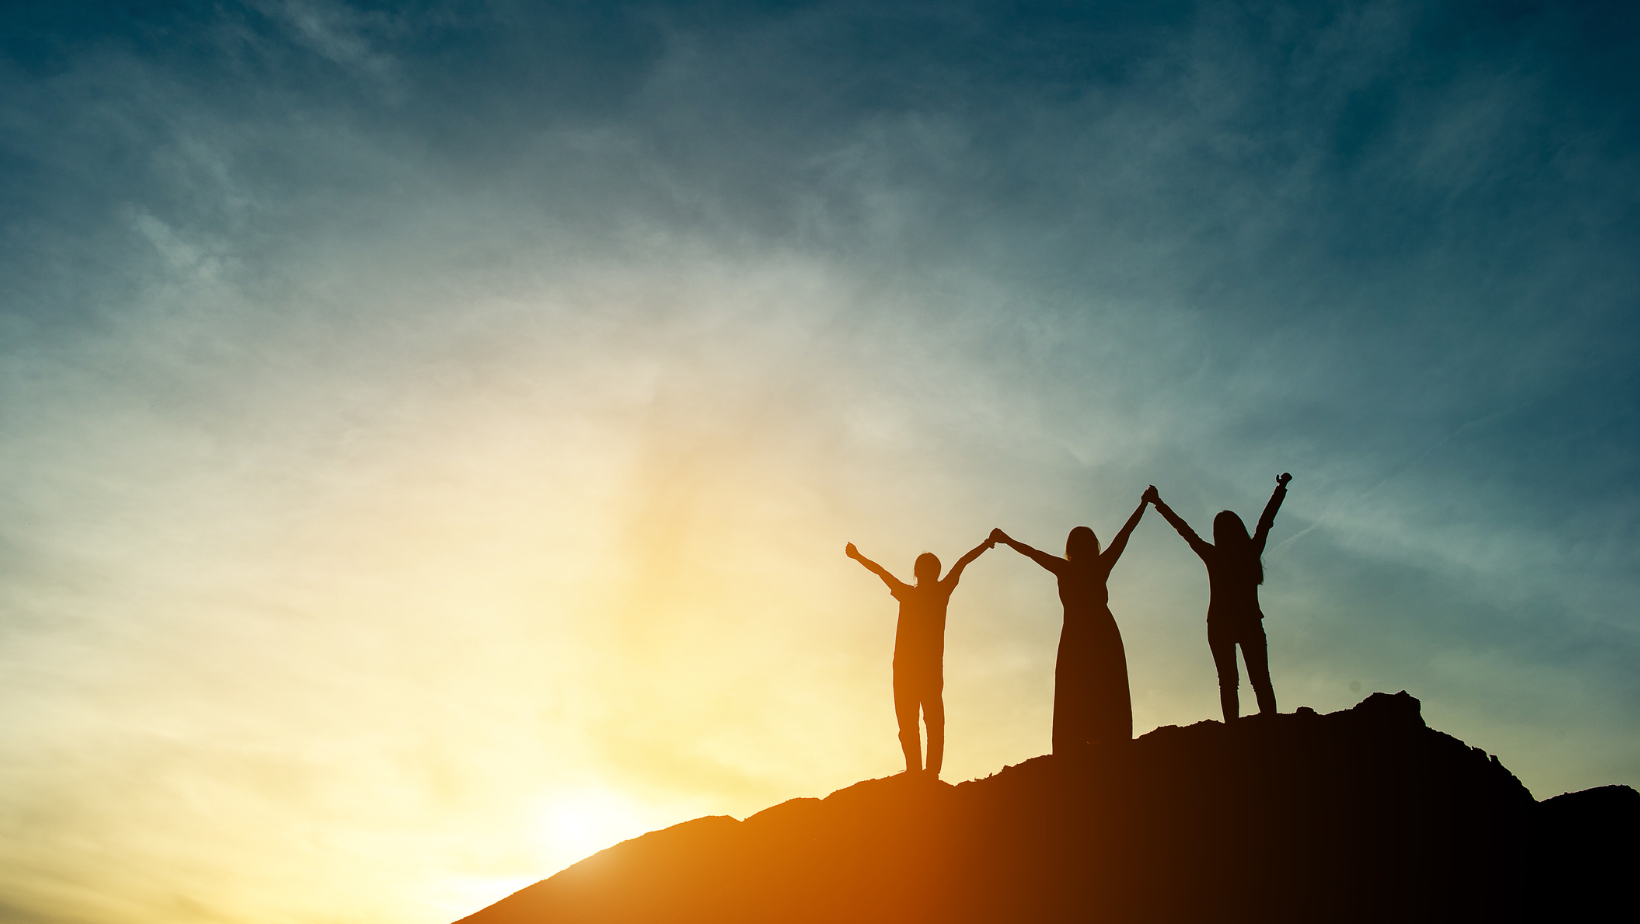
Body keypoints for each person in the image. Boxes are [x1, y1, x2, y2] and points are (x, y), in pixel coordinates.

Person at [990, 493, 1149, 755]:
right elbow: (1125, 533)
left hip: (1078, 636)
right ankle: (1106, 739)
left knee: (1079, 687)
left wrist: (1006, 539)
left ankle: (1081, 743)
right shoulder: (1097, 565)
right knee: (1104, 685)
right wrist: (1142, 505)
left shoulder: (1066, 569)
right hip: (1101, 633)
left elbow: (1032, 553)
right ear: (1093, 545)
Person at [1145, 474, 1291, 724]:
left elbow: (1185, 530)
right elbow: (1266, 522)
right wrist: (1280, 489)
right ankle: (1271, 728)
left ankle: (1233, 732)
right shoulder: (1250, 553)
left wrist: (1158, 503)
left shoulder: (1214, 556)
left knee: (1228, 682)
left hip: (1220, 624)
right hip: (1247, 622)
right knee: (1260, 681)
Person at [845, 536, 993, 779]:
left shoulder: (908, 593)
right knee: (932, 723)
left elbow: (881, 572)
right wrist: (987, 544)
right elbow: (963, 562)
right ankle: (929, 773)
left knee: (911, 723)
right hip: (927, 670)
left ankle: (918, 771)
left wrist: (858, 556)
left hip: (905, 670)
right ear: (936, 572)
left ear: (916, 572)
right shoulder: (940, 591)